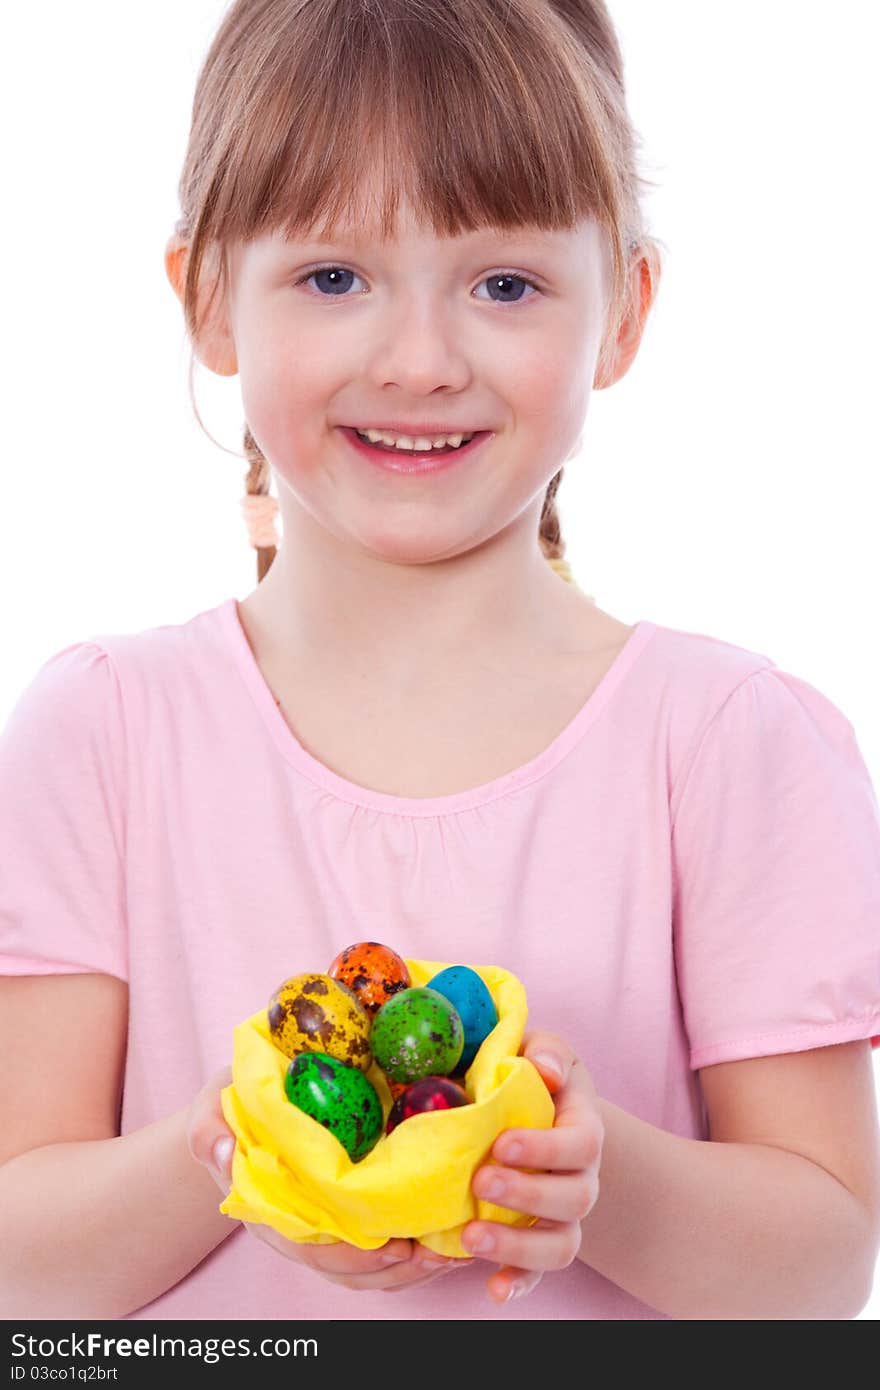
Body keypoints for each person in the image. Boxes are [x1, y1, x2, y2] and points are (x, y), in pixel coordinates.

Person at [1, 0, 878, 1323]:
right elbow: (23, 1258)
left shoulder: (731, 739)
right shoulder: (104, 730)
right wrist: (240, 1150)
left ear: (624, 312)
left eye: (506, 283)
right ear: (207, 301)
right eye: (334, 277)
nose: (420, 362)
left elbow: (822, 1267)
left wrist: (598, 1179)